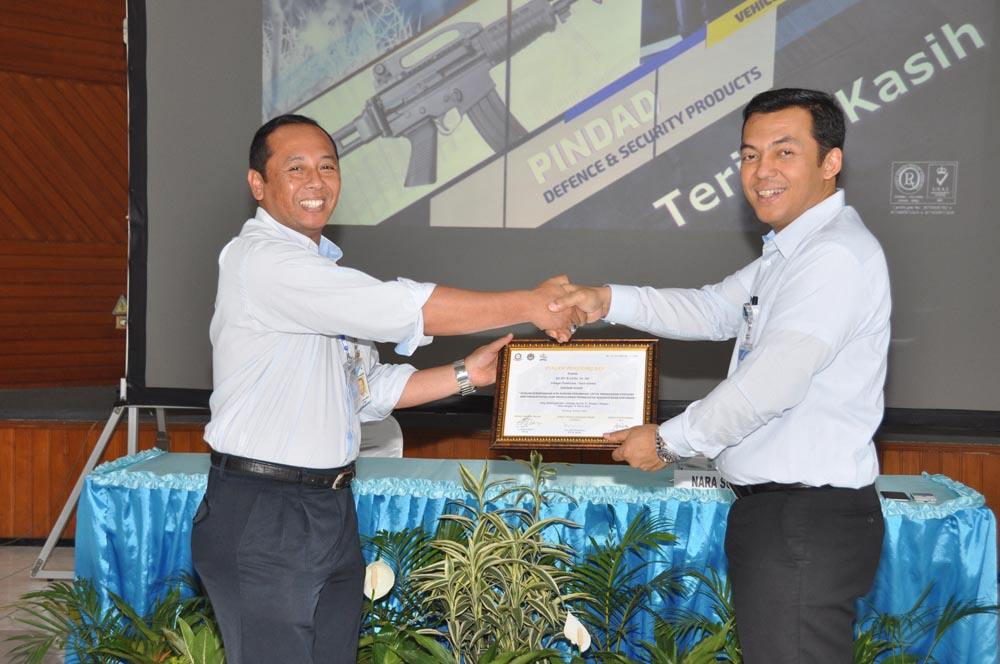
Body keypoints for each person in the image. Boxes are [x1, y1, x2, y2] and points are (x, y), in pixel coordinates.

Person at [191, 113, 584, 664]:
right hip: (265, 514)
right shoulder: (264, 261)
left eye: (327, 167)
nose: (316, 181)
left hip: (327, 508)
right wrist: (529, 304)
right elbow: (398, 307)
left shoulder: (319, 268)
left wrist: (468, 373)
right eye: (296, 167)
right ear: (258, 184)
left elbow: (366, 391)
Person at [551, 88, 889, 663]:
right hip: (780, 516)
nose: (761, 172)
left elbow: (771, 383)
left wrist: (665, 441)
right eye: (750, 154)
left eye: (784, 152)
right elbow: (711, 309)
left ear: (830, 162)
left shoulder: (833, 256)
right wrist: (603, 299)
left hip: (804, 520)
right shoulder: (793, 251)